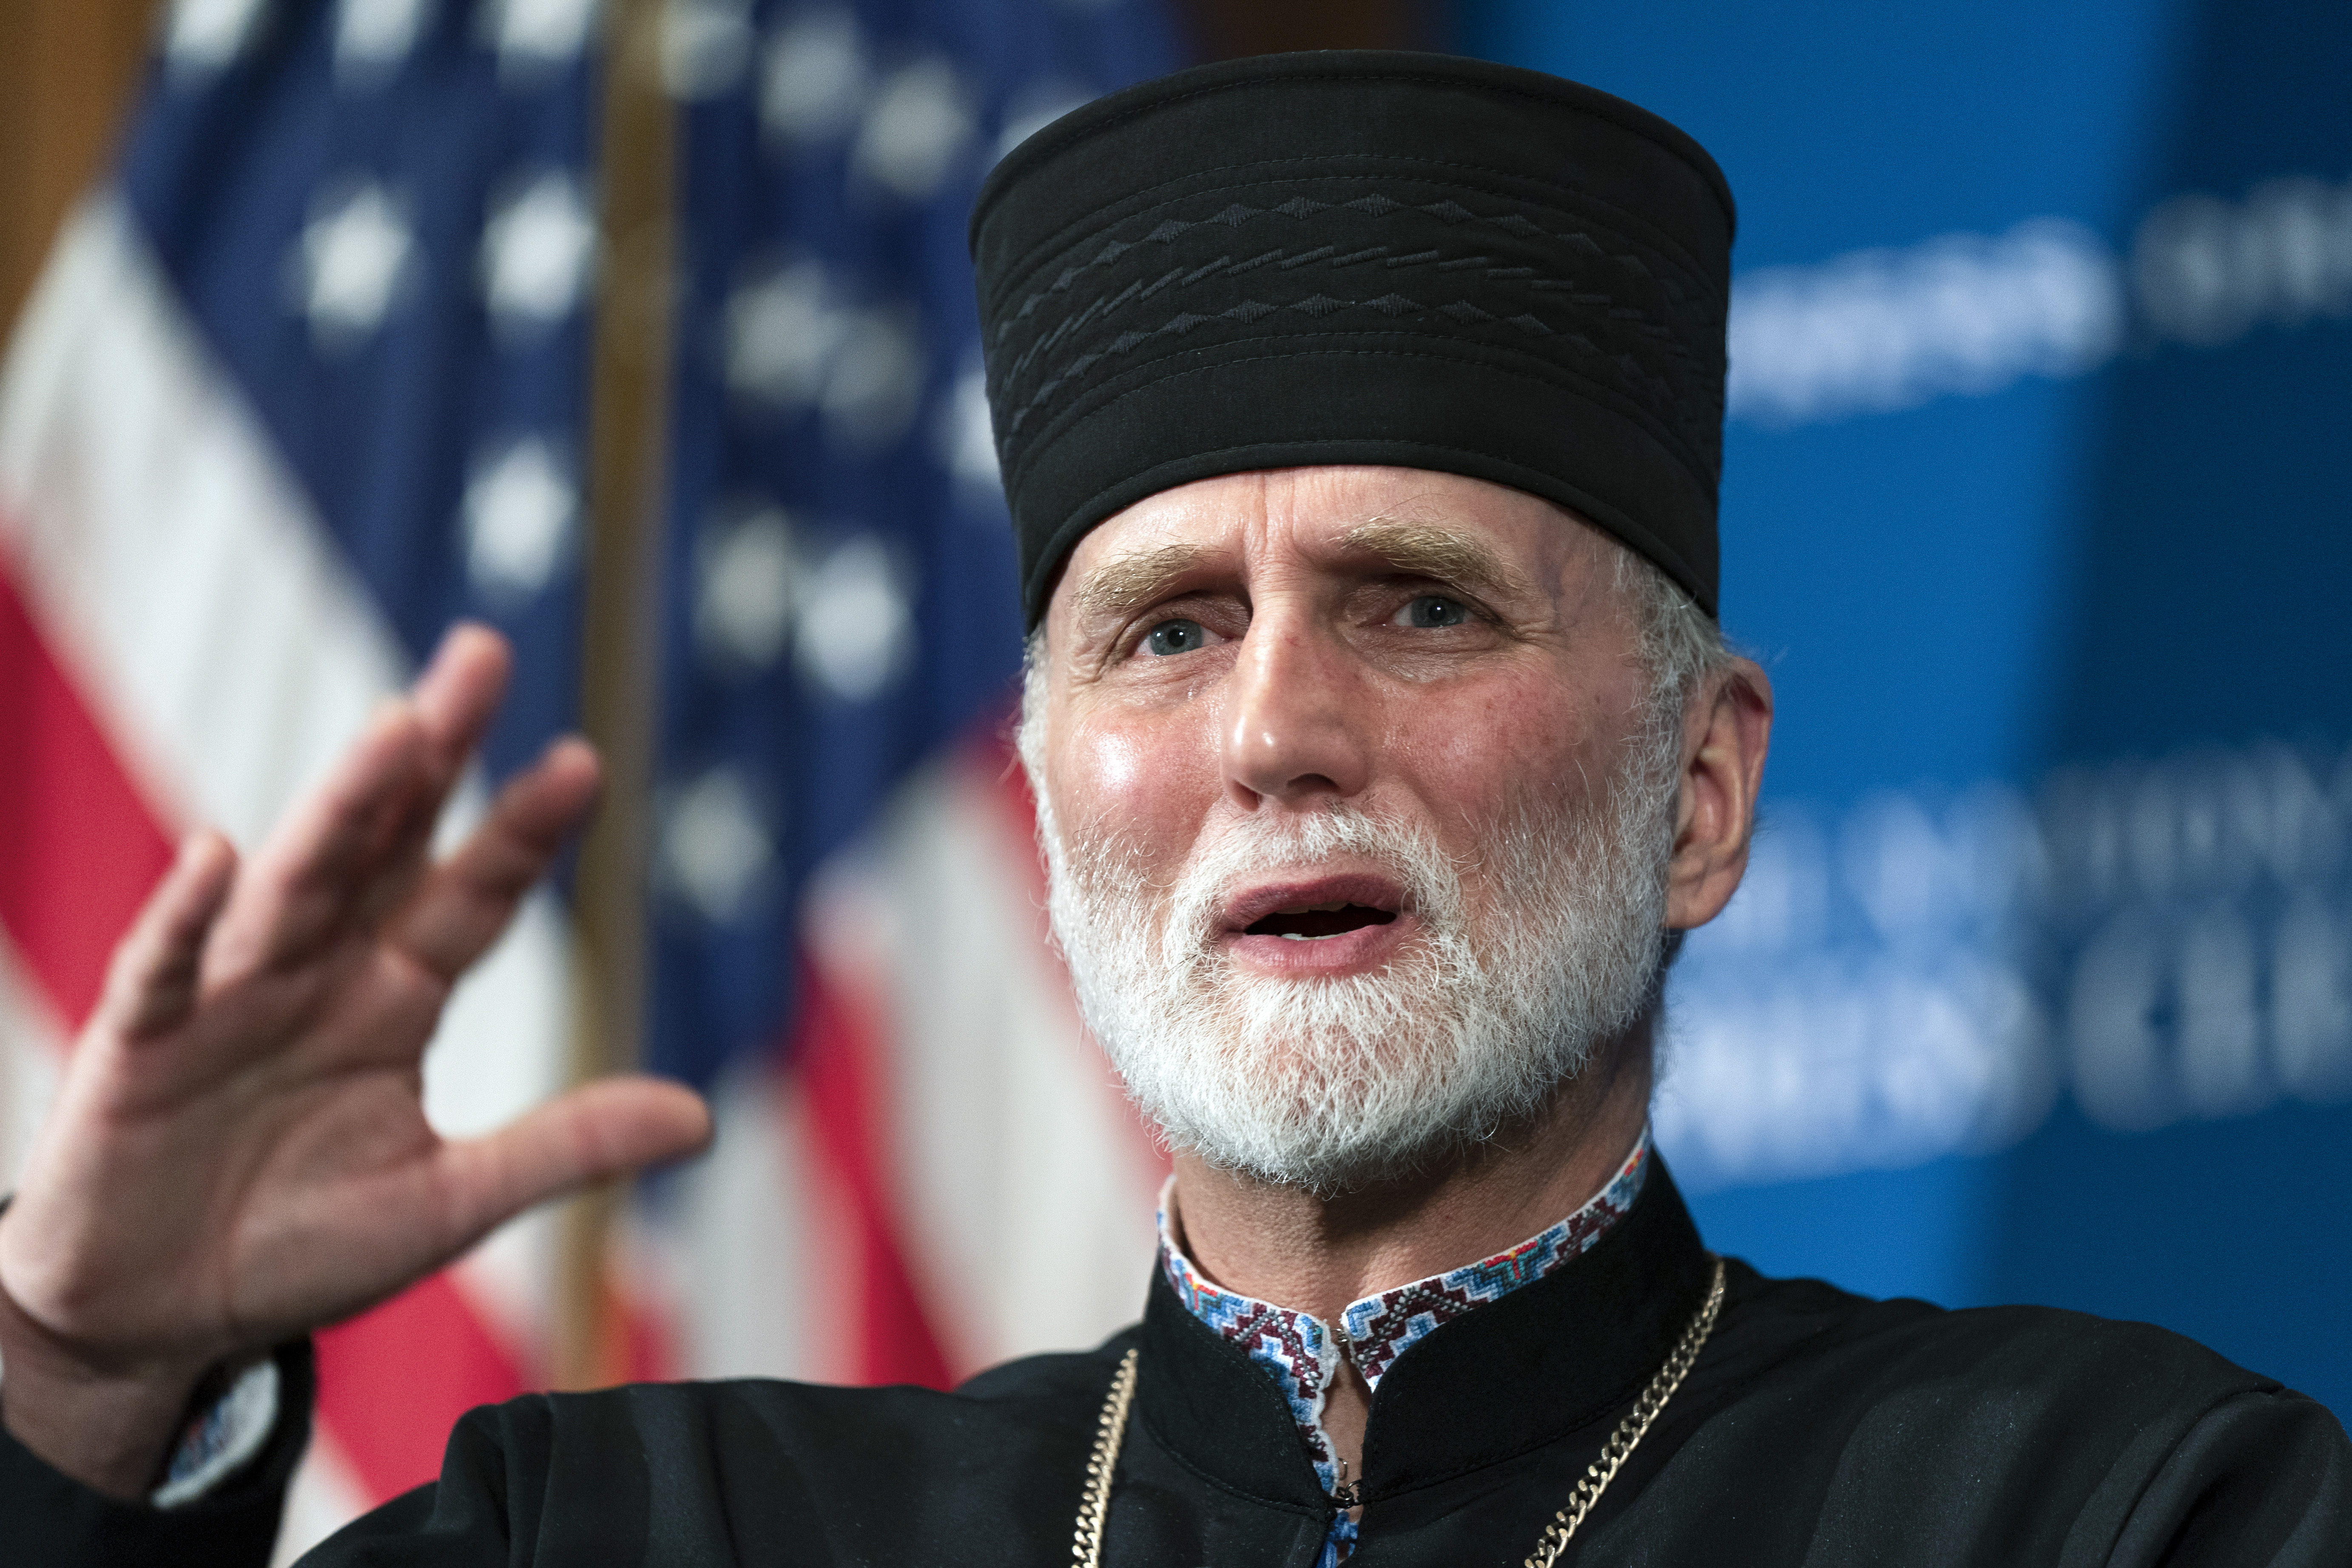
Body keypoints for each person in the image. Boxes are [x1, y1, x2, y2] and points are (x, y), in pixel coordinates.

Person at [2, 51, 2345, 1568]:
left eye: (1418, 607)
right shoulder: (640, 1532)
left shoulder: (2122, 1509)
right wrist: (78, 1385)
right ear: (1043, 807)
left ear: (1702, 789)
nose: (1275, 728)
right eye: (1164, 627)